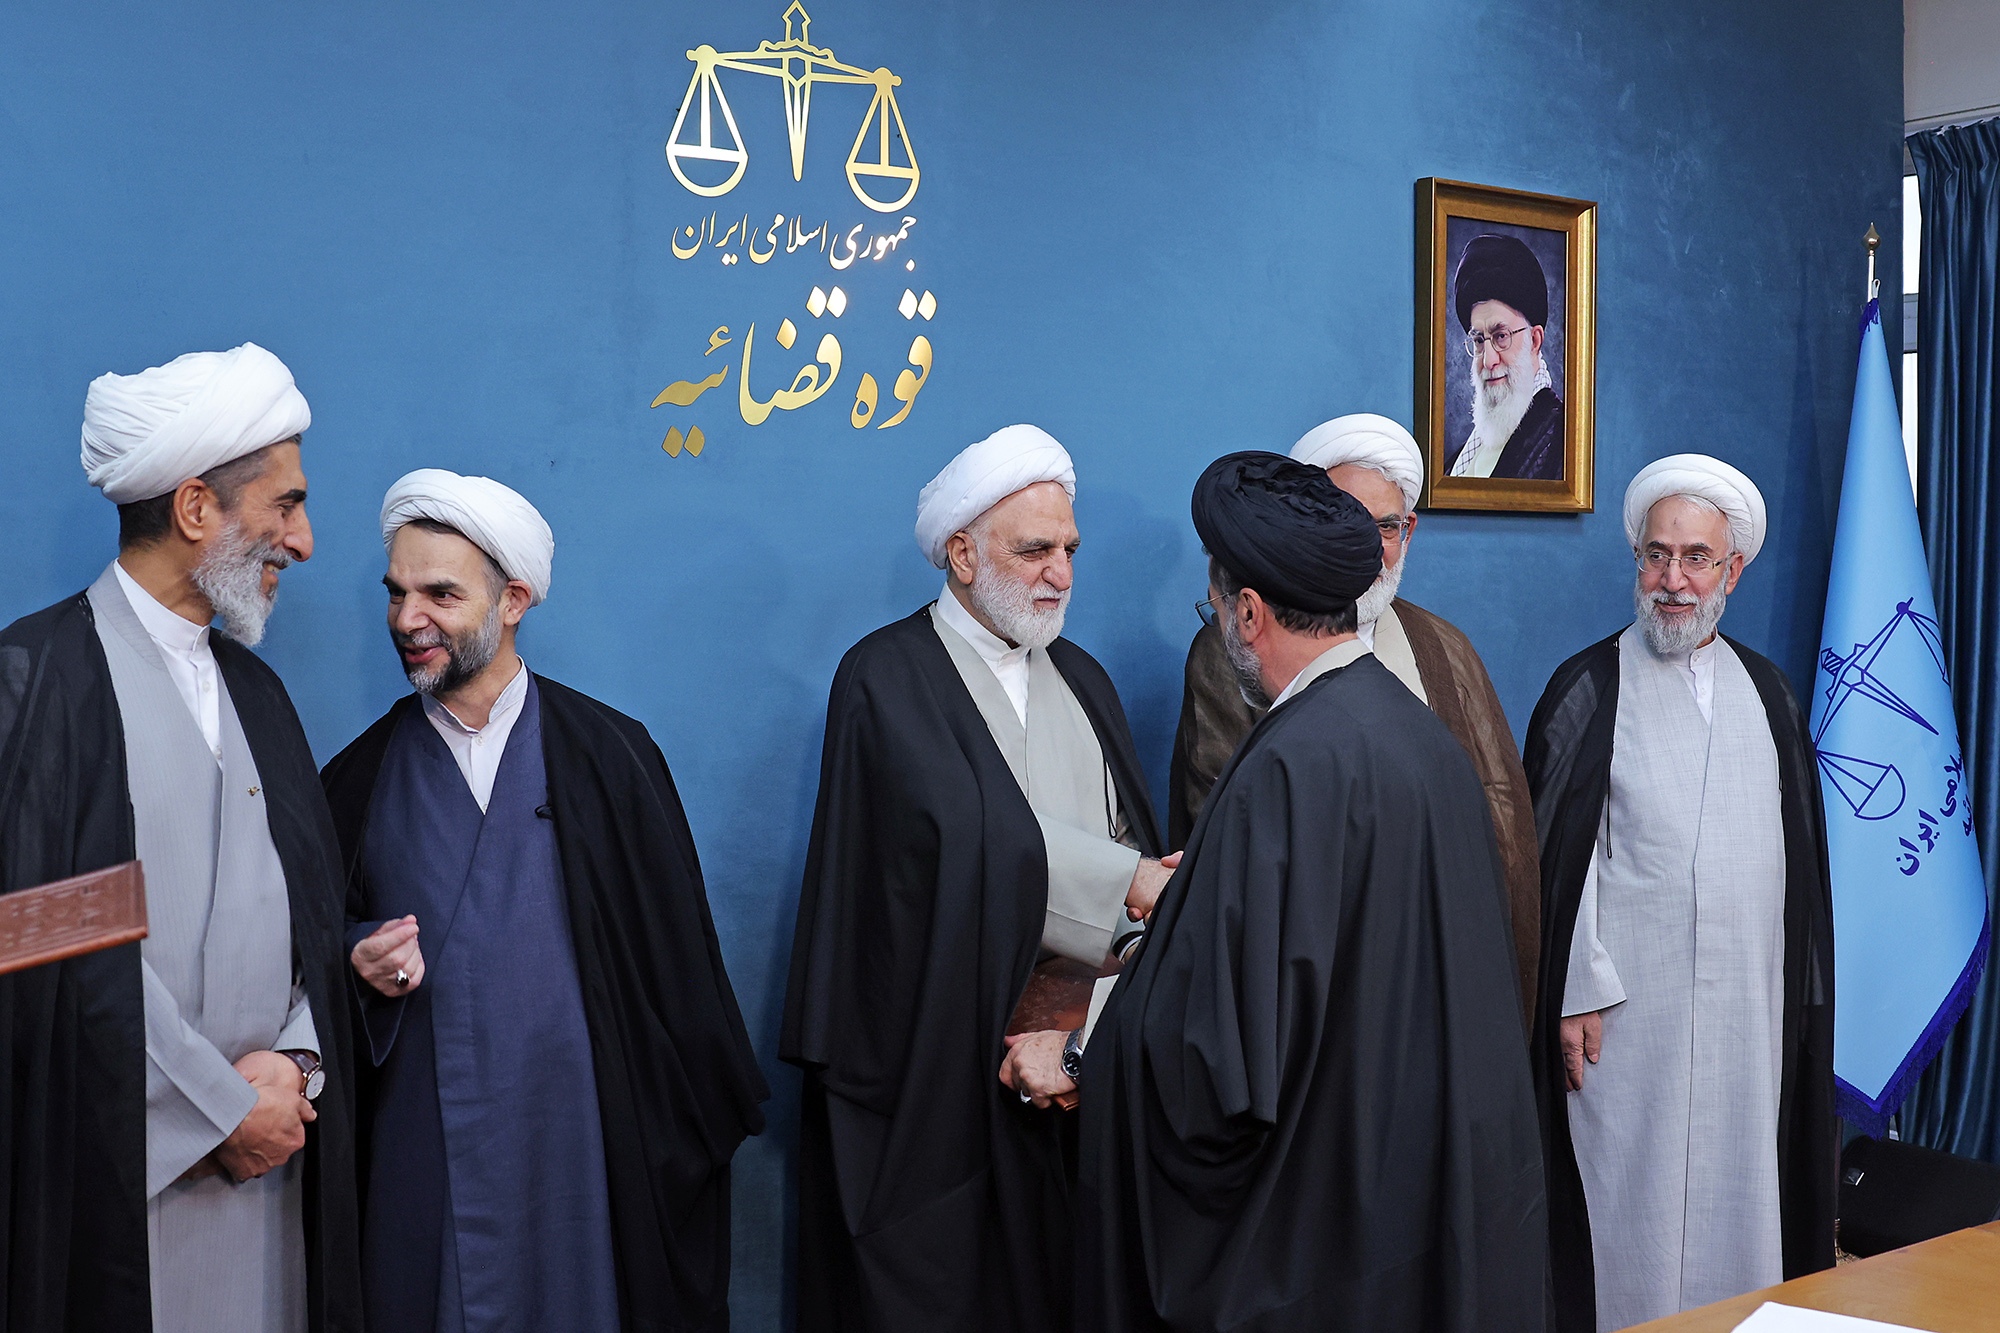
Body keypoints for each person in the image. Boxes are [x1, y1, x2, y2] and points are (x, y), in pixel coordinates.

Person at [1080, 452, 1547, 1333]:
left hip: (1329, 1237)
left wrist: (1083, 1053)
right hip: (1428, 1211)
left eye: (1216, 606)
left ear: (1249, 612)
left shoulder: (1288, 767)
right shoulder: (1419, 736)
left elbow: (1217, 1065)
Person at [319, 470, 767, 1333]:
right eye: (397, 593)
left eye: (440, 594)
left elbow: (679, 982)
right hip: (422, 1144)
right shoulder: (355, 780)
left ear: (514, 600)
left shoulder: (614, 757)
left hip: (584, 1142)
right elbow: (304, 952)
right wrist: (353, 955)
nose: (408, 618)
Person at [0, 344, 361, 1331]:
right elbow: (39, 947)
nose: (304, 540)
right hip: (119, 1184)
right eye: (285, 506)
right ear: (197, 508)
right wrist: (217, 1110)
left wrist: (296, 1068)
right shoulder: (34, 683)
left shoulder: (260, 693)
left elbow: (311, 923)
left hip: (274, 1171)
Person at [782, 425, 1167, 1332]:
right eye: (1034, 550)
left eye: (1070, 549)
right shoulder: (884, 675)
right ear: (961, 555)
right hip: (941, 1071)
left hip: (1073, 1066)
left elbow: (1126, 839)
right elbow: (955, 850)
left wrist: (1100, 1012)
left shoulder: (1083, 677)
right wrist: (1131, 879)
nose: (1060, 574)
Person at [1524, 455, 1836, 1332]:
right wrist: (1570, 990)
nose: (1673, 579)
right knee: (1629, 1213)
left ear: (1732, 572)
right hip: (1627, 1024)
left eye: (1696, 558)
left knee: (1742, 1208)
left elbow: (1802, 876)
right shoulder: (1589, 687)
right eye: (1656, 555)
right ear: (1637, 561)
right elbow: (1551, 859)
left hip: (1747, 1014)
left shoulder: (1769, 693)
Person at [1169, 413, 1540, 1015]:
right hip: (1318, 977)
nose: (1368, 547)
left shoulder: (1444, 646)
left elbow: (1502, 818)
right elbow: (1232, 830)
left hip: (1445, 963)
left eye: (1385, 526)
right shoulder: (1232, 645)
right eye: (1348, 521)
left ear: (1408, 531)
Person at [1447, 233, 1564, 480]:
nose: (1489, 361)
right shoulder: (1464, 453)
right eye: (1479, 341)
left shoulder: (1561, 439)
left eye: (1501, 336)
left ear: (1535, 341)